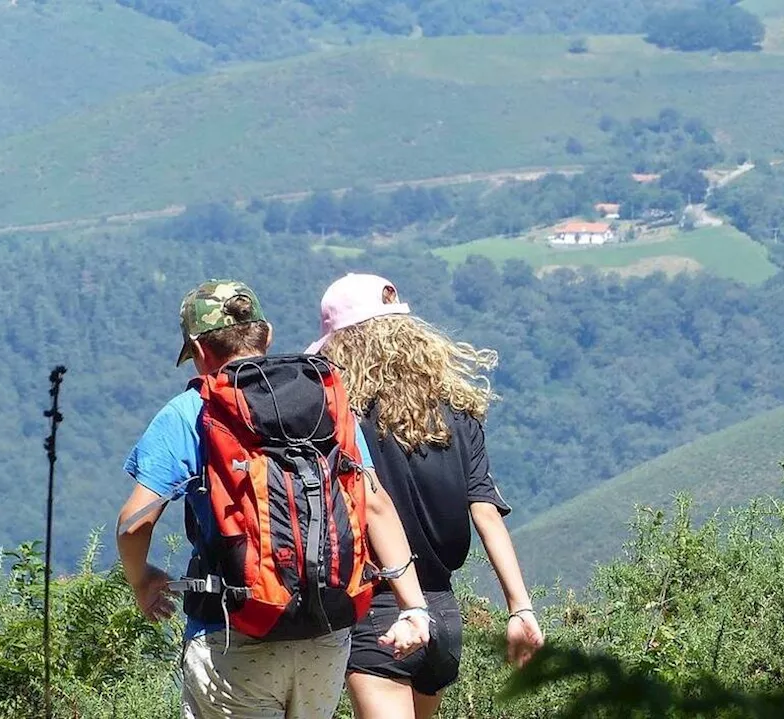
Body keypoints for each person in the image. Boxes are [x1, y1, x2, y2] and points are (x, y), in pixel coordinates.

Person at [116, 279, 431, 719]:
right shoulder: (325, 397)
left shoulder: (193, 411)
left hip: (234, 633)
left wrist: (142, 580)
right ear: (266, 335)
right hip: (325, 633)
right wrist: (413, 607)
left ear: (198, 350)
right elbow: (374, 503)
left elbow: (134, 524)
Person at [305, 273, 545, 719]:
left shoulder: (341, 419)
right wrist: (520, 606)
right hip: (443, 613)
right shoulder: (458, 413)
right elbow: (487, 515)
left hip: (380, 610)